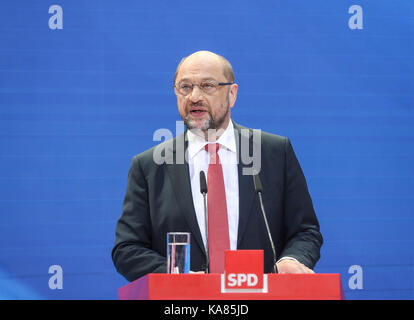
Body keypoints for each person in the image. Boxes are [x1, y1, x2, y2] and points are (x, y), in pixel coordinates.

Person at [112, 51, 323, 282]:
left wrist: (291, 260)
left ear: (232, 94)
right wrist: (179, 277)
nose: (194, 96)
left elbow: (305, 231)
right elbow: (127, 248)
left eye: (207, 85)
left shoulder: (274, 153)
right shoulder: (150, 166)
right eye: (184, 87)